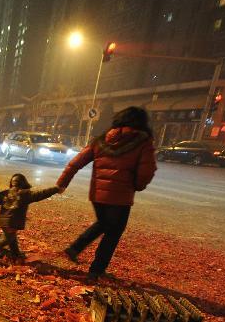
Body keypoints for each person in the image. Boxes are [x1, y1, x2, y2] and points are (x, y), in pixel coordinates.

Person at [57, 106, 157, 281]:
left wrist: (62, 183)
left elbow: (75, 163)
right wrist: (138, 185)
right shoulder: (143, 142)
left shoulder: (102, 140)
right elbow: (146, 171)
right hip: (121, 198)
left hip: (98, 196)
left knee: (104, 223)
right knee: (113, 233)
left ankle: (74, 248)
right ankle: (96, 270)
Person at [0, 173, 61, 263]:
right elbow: (41, 194)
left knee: (12, 238)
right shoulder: (25, 194)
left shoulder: (6, 192)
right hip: (12, 222)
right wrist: (56, 189)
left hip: (4, 221)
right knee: (6, 239)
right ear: (23, 182)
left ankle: (16, 255)